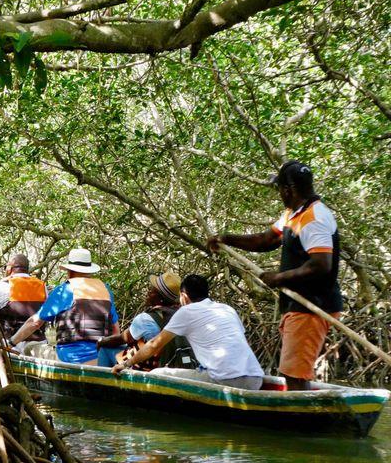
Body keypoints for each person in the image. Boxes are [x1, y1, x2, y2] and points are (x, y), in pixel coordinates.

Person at [207, 160, 342, 390]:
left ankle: (301, 422)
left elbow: (321, 264)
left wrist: (278, 278)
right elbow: (266, 240)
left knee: (295, 375)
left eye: (279, 188)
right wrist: (227, 238)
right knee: (294, 371)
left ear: (288, 190)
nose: (279, 193)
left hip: (311, 306)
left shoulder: (313, 218)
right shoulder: (294, 214)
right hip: (298, 306)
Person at [113, 275, 265, 390]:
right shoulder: (227, 309)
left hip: (226, 380)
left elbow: (154, 345)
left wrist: (126, 364)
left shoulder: (186, 311)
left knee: (158, 374)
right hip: (256, 378)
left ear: (184, 297)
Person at [10, 248, 120, 364]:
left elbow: (35, 323)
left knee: (30, 347)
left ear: (70, 271)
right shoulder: (105, 290)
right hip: (101, 359)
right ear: (89, 271)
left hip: (70, 359)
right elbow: (116, 331)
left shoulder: (64, 290)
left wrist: (12, 342)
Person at [96, 271, 192, 369]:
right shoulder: (184, 316)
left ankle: (98, 383)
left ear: (158, 297)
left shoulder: (146, 319)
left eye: (152, 290)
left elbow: (123, 338)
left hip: (150, 369)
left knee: (105, 348)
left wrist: (101, 341)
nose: (149, 292)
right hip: (177, 364)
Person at [0, 253, 48, 352]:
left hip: (11, 348)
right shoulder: (42, 286)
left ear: (9, 268)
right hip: (39, 347)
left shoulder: (1, 287)